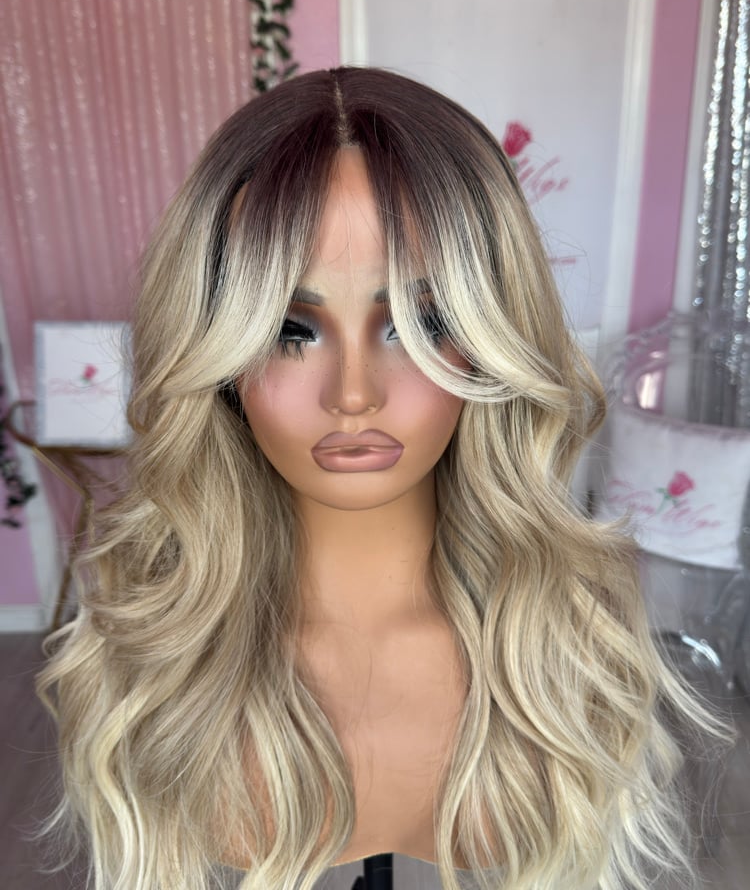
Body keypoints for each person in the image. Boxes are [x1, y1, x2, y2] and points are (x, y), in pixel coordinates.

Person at [39, 67, 724, 890]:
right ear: (216, 355)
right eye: (291, 330)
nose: (354, 394)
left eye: (417, 324)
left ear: (491, 339)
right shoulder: (162, 662)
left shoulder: (556, 658)